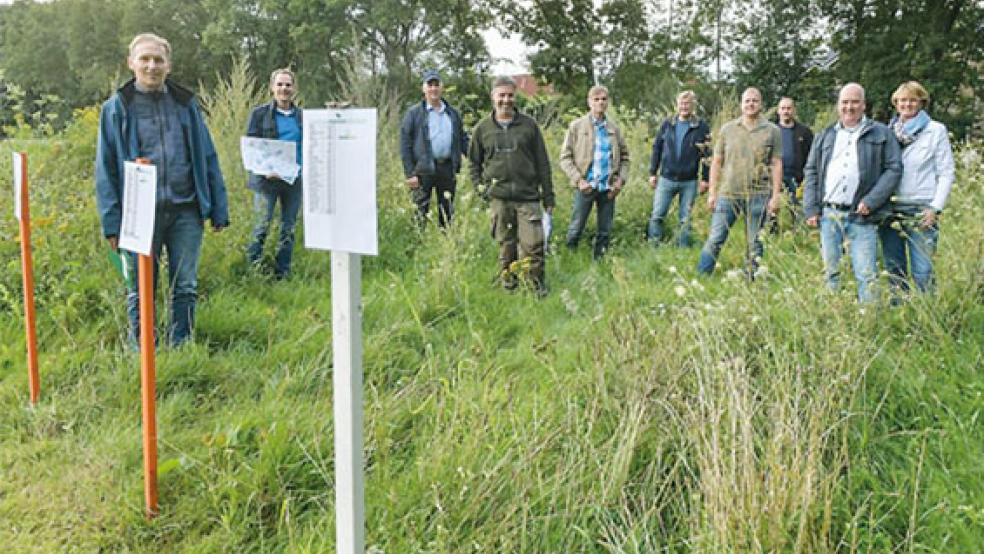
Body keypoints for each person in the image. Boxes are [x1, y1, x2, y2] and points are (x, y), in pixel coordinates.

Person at [95, 33, 229, 347]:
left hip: (186, 209)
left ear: (168, 65)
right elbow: (106, 168)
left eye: (158, 60)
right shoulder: (116, 108)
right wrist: (112, 223)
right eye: (145, 59)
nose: (152, 66)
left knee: (185, 286)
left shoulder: (186, 105)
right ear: (131, 63)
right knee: (140, 287)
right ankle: (143, 349)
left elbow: (207, 156)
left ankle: (181, 346)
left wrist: (218, 207)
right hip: (139, 215)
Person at [803, 83, 902, 303]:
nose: (849, 107)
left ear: (864, 105)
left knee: (866, 274)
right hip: (829, 214)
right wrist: (810, 208)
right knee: (831, 272)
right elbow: (811, 171)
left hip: (862, 215)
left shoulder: (881, 133)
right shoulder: (825, 135)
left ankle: (869, 317)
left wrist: (872, 201)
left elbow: (894, 169)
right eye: (845, 102)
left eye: (855, 102)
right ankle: (833, 314)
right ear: (838, 105)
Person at [468, 75, 555, 296]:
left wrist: (548, 196)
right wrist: (481, 190)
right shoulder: (482, 129)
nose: (506, 100)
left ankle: (535, 289)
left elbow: (543, 162)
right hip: (499, 198)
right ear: (493, 97)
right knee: (506, 246)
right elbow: (473, 164)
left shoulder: (529, 125)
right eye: (501, 95)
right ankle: (509, 287)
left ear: (515, 97)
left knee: (533, 245)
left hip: (528, 197)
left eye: (510, 95)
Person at [878, 81, 955, 295]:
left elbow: (946, 172)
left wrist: (935, 208)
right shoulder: (887, 132)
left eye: (912, 100)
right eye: (902, 100)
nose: (907, 104)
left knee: (923, 270)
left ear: (921, 102)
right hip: (891, 208)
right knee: (894, 268)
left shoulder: (935, 130)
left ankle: (926, 310)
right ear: (896, 103)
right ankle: (899, 311)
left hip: (921, 208)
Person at [697, 87, 782, 276]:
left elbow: (776, 163)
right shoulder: (727, 129)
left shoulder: (772, 131)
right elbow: (716, 162)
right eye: (747, 101)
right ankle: (702, 276)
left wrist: (776, 196)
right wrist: (712, 192)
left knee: (755, 242)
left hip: (759, 194)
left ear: (761, 104)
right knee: (716, 238)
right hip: (728, 194)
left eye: (755, 100)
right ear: (741, 104)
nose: (751, 104)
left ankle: (750, 278)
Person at [558, 84, 630, 259]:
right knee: (576, 227)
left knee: (605, 229)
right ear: (589, 102)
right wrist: (578, 180)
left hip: (608, 187)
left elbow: (625, 158)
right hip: (586, 185)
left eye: (604, 99)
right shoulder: (577, 126)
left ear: (608, 102)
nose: (600, 103)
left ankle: (600, 262)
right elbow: (565, 158)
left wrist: (620, 181)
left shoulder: (614, 129)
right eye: (596, 99)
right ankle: (569, 260)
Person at [245, 68, 303, 279]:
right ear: (272, 87)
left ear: (294, 88)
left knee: (288, 228)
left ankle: (282, 273)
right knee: (261, 226)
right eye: (280, 84)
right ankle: (253, 270)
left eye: (288, 85)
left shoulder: (302, 117)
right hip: (266, 180)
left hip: (293, 179)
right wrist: (266, 169)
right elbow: (252, 146)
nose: (284, 89)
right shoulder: (259, 114)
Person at [399, 69, 467, 228]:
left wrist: (478, 157)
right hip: (423, 170)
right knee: (419, 212)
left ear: (442, 87)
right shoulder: (414, 114)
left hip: (447, 168)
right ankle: (417, 242)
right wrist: (410, 173)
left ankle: (447, 240)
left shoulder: (453, 114)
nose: (433, 89)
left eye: (436, 85)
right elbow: (405, 144)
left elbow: (462, 139)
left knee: (447, 212)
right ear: (423, 88)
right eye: (430, 85)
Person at [646, 90, 711, 248]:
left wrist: (705, 179)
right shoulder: (668, 124)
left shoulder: (701, 127)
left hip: (689, 180)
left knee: (685, 219)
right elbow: (657, 148)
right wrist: (652, 172)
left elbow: (707, 154)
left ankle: (683, 250)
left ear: (693, 105)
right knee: (657, 215)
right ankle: (653, 247)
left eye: (688, 103)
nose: (684, 107)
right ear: (677, 105)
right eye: (682, 103)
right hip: (666, 178)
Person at [769, 96, 813, 230]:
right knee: (773, 208)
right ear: (778, 111)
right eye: (783, 108)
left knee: (797, 208)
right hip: (775, 177)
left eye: (789, 108)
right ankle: (772, 231)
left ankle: (798, 232)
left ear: (794, 110)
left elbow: (811, 155)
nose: (786, 111)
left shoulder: (804, 132)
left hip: (797, 178)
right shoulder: (771, 131)